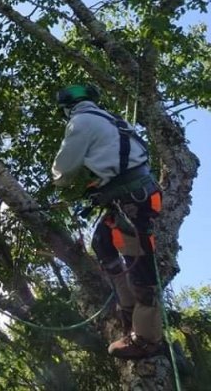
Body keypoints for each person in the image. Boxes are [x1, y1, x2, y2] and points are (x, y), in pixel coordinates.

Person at [52, 83, 163, 359]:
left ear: (66, 109)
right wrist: (101, 184)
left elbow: (62, 172)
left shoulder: (80, 122)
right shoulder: (113, 119)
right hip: (135, 195)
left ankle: (147, 340)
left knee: (139, 262)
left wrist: (58, 179)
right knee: (102, 242)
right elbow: (123, 159)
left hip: (133, 200)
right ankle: (128, 309)